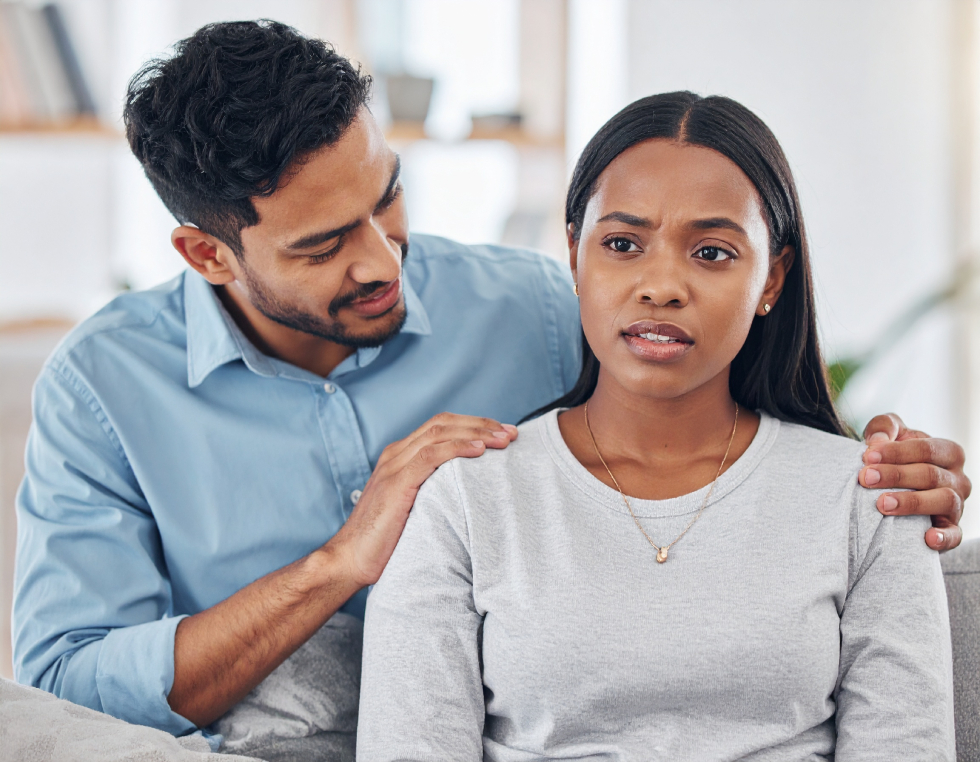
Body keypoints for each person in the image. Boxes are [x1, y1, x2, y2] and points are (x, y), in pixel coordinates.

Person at [11, 20, 967, 747]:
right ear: (205, 253)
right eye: (326, 244)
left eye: (386, 197)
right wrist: (338, 563)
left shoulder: (538, 309)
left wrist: (875, 469)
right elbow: (64, 683)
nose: (386, 259)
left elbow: (689, 416)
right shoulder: (103, 389)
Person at [356, 92, 956, 760]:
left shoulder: (869, 499)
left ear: (772, 281)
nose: (662, 284)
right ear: (575, 258)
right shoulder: (462, 500)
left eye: (712, 252)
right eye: (622, 243)